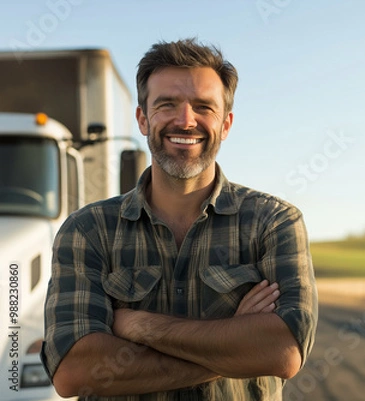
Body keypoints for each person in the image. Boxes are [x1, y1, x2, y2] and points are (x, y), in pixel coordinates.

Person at [41, 38, 318, 401]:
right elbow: (74, 370)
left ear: (226, 124)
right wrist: (235, 345)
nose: (186, 121)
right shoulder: (88, 231)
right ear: (142, 119)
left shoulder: (273, 222)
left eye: (203, 106)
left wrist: (140, 325)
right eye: (167, 105)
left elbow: (283, 350)